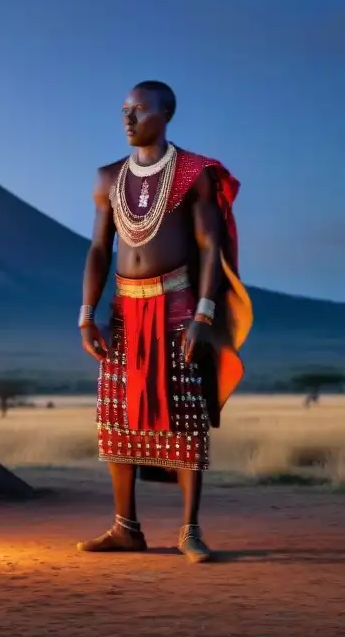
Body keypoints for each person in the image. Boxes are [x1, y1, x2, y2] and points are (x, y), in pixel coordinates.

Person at [76, 81, 253, 563]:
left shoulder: (194, 173)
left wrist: (204, 314)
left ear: (165, 114)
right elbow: (98, 249)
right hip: (123, 312)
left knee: (186, 416)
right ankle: (125, 528)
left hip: (177, 305)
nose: (128, 119)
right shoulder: (108, 177)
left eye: (138, 110)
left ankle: (190, 530)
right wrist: (87, 316)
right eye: (124, 111)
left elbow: (210, 248)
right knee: (116, 415)